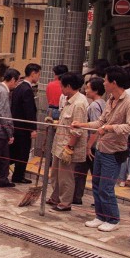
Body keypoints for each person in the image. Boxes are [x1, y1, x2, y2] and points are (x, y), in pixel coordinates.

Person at [73, 66, 130, 232]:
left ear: (113, 82)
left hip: (114, 151)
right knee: (96, 183)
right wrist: (81, 124)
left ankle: (113, 219)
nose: (103, 82)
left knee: (106, 187)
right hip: (101, 148)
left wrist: (110, 128)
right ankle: (100, 216)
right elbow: (100, 122)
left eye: (106, 80)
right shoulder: (110, 100)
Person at [47, 73, 88, 212]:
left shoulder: (79, 103)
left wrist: (69, 147)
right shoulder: (68, 99)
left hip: (68, 146)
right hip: (59, 144)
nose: (61, 89)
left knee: (66, 176)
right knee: (55, 175)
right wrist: (54, 122)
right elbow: (66, 122)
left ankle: (65, 203)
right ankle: (55, 197)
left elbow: (78, 129)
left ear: (69, 86)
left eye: (62, 86)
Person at [73, 77, 106, 205]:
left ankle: (77, 197)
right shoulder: (103, 103)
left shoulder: (93, 106)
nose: (86, 90)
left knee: (81, 171)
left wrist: (88, 146)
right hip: (98, 143)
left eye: (88, 88)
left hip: (92, 144)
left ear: (96, 90)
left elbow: (95, 128)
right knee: (95, 173)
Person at [10, 63, 41, 184]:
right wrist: (33, 129)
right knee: (23, 153)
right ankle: (18, 175)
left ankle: (17, 174)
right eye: (38, 74)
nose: (38, 77)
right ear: (33, 73)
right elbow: (29, 111)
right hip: (23, 128)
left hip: (16, 126)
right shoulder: (27, 89)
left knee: (17, 152)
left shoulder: (19, 87)